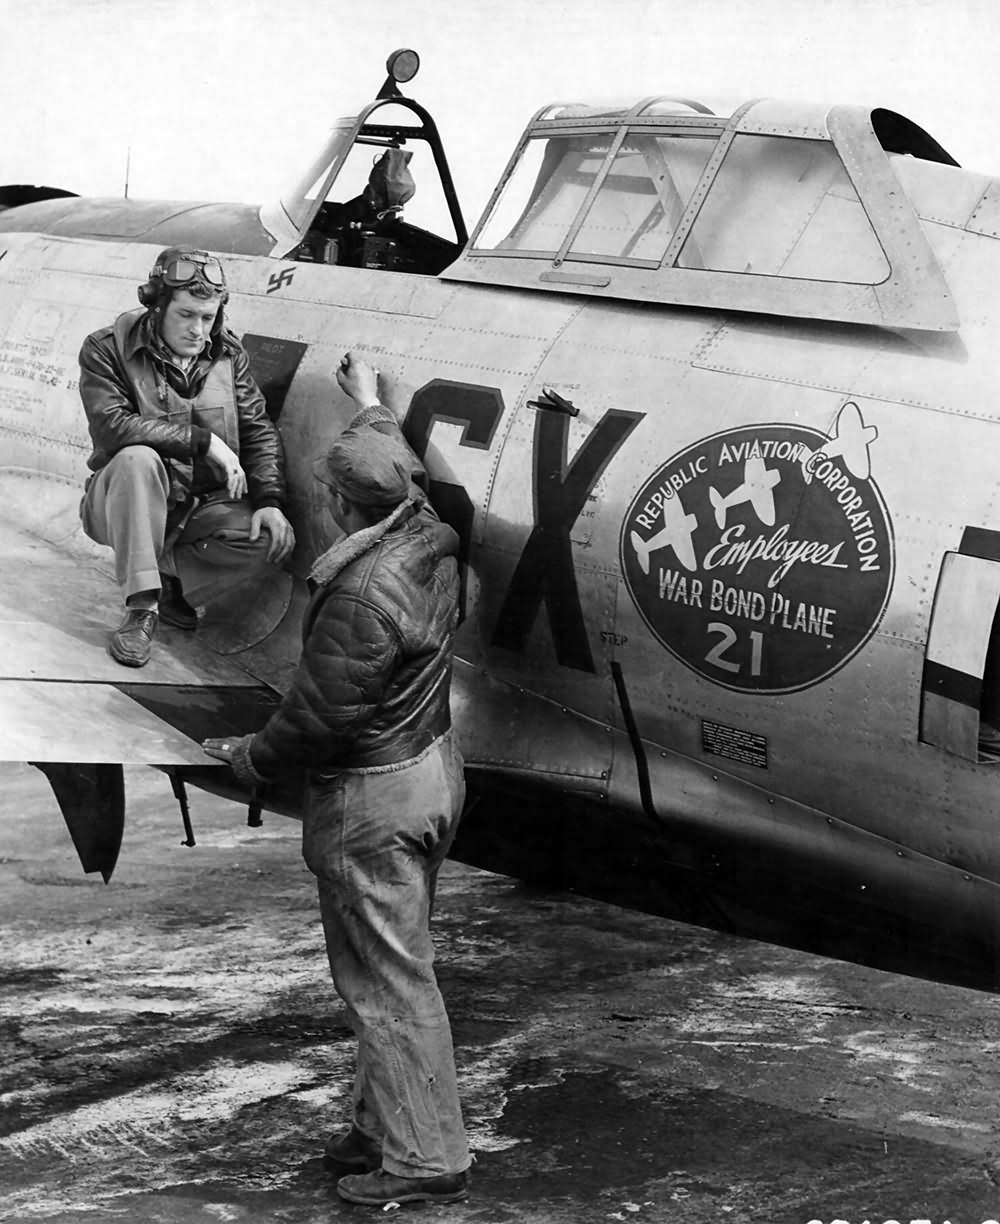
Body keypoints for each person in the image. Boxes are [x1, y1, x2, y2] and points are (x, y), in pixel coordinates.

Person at [202, 353, 471, 1207]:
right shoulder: (424, 531)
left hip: (372, 800)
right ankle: (380, 1124)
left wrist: (248, 759)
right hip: (432, 771)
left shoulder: (362, 596)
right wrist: (369, 404)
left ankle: (427, 1158)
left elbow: (317, 720)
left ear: (343, 506)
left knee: (388, 980)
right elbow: (403, 464)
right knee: (383, 964)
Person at [78, 245, 295, 666]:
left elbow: (257, 429)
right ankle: (142, 607)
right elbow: (112, 425)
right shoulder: (106, 348)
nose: (199, 330)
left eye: (208, 318)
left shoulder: (229, 356)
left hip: (195, 509)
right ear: (157, 308)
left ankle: (168, 576)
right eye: (186, 315)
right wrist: (203, 441)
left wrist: (270, 500)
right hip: (121, 500)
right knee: (137, 457)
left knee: (269, 537)